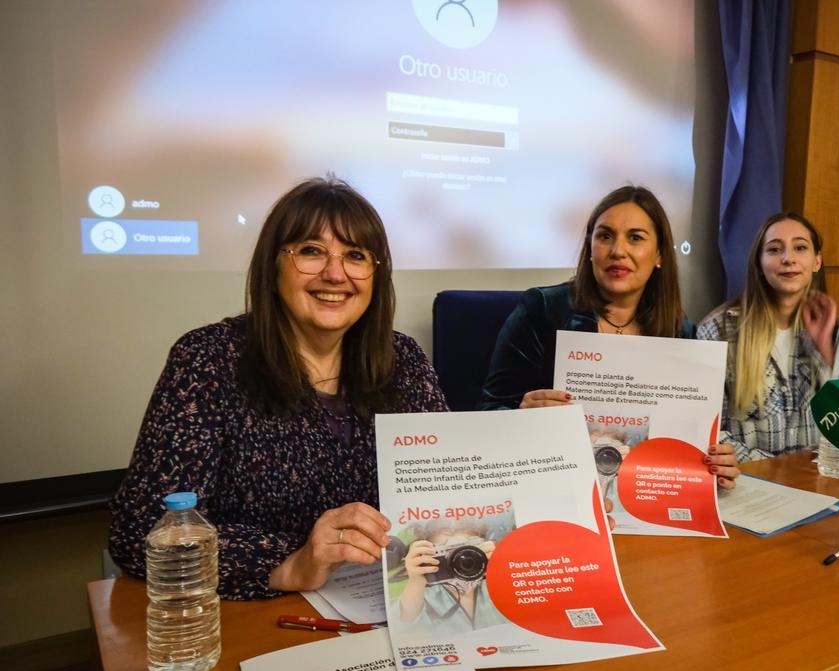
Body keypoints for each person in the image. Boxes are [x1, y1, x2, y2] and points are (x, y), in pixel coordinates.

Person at [108, 176, 448, 600]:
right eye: (311, 251)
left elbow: (444, 492)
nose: (335, 273)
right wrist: (289, 563)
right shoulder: (208, 360)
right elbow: (142, 529)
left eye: (356, 256)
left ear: (376, 276)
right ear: (273, 266)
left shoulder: (405, 360)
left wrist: (523, 442)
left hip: (391, 597)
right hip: (257, 609)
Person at [478, 185, 739, 487]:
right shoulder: (542, 310)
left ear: (659, 255)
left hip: (644, 494)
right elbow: (487, 413)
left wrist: (713, 462)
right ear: (590, 249)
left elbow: (688, 435)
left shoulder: (682, 333)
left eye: (636, 238)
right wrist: (522, 413)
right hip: (557, 486)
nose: (618, 250)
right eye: (605, 236)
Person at [697, 212, 839, 463]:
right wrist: (772, 470)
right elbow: (706, 427)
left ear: (816, 261)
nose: (788, 259)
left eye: (800, 248)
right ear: (759, 264)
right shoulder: (716, 331)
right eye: (774, 250)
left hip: (815, 483)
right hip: (749, 483)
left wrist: (826, 353)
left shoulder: (835, 330)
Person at [396, 519, 506, 633]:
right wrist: (416, 580)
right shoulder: (426, 595)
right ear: (430, 555)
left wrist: (506, 571)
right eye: (446, 551)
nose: (462, 561)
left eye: (467, 551)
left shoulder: (496, 585)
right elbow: (405, 619)